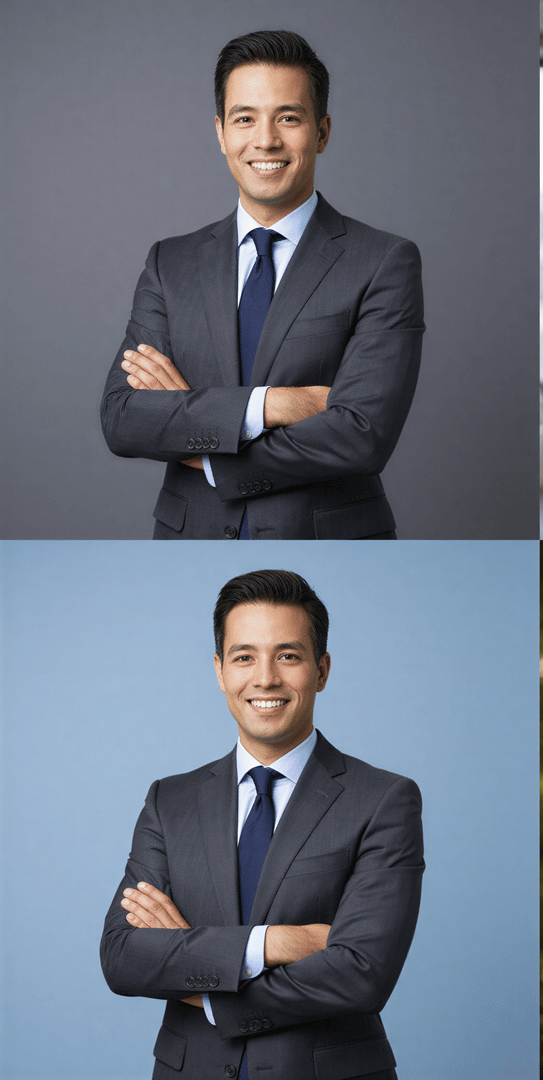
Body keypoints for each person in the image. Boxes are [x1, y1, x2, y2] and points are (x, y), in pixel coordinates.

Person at [100, 30, 424, 539]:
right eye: (245, 118)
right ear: (221, 132)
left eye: (288, 117)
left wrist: (208, 451)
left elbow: (362, 436)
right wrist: (273, 404)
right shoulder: (171, 263)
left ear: (322, 131)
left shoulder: (384, 261)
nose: (266, 140)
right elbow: (123, 418)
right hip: (189, 544)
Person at [100, 569, 423, 1079]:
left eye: (288, 655)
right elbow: (123, 957)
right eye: (244, 656)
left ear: (322, 670)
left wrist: (205, 986)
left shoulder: (384, 800)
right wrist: (272, 944)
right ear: (219, 670)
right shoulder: (170, 801)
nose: (266, 678)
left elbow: (362, 974)